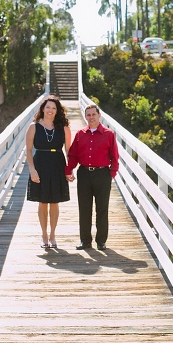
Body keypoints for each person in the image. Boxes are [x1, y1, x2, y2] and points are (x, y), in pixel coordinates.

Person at [65, 104, 119, 251]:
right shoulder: (80, 134)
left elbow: (114, 156)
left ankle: (101, 241)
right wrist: (69, 169)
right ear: (85, 116)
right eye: (88, 115)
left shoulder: (109, 134)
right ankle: (85, 241)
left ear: (99, 115)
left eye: (93, 114)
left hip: (102, 174)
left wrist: (112, 173)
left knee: (102, 208)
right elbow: (73, 154)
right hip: (84, 174)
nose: (91, 117)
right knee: (84, 208)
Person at [26, 95, 72, 248]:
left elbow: (69, 151)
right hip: (40, 164)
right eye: (48, 107)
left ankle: (53, 234)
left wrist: (69, 170)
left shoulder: (64, 128)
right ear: (43, 109)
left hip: (58, 164)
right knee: (42, 201)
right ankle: (44, 235)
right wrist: (32, 170)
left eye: (54, 108)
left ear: (57, 110)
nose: (50, 110)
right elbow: (29, 150)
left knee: (54, 202)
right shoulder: (33, 127)